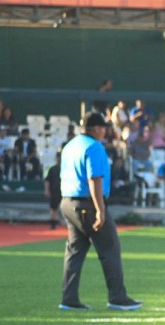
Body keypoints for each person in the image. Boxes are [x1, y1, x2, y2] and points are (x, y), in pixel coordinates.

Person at [58, 111, 141, 312]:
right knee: (109, 247)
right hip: (87, 203)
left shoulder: (70, 145)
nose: (105, 130)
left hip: (68, 202)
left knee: (75, 251)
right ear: (95, 128)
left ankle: (68, 298)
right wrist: (100, 210)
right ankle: (117, 297)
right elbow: (94, 179)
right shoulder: (94, 147)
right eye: (103, 127)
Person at [44, 150, 63, 230]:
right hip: (54, 190)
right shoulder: (52, 169)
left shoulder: (67, 168)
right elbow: (47, 180)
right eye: (58, 157)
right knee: (53, 208)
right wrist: (47, 190)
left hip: (64, 191)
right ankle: (53, 224)